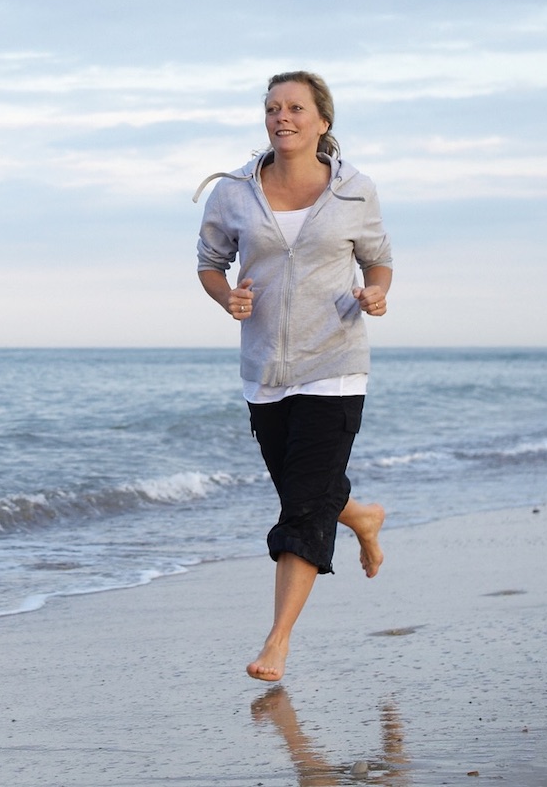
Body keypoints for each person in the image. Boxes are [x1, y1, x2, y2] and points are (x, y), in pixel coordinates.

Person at [193, 70, 393, 683]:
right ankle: (359, 514)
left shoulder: (356, 191)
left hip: (334, 362)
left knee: (301, 509)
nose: (283, 116)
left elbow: (378, 260)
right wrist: (228, 298)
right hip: (265, 372)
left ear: (321, 122)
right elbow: (209, 263)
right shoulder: (233, 192)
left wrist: (376, 295)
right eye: (273, 108)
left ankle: (277, 641)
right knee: (304, 493)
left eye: (296, 108)